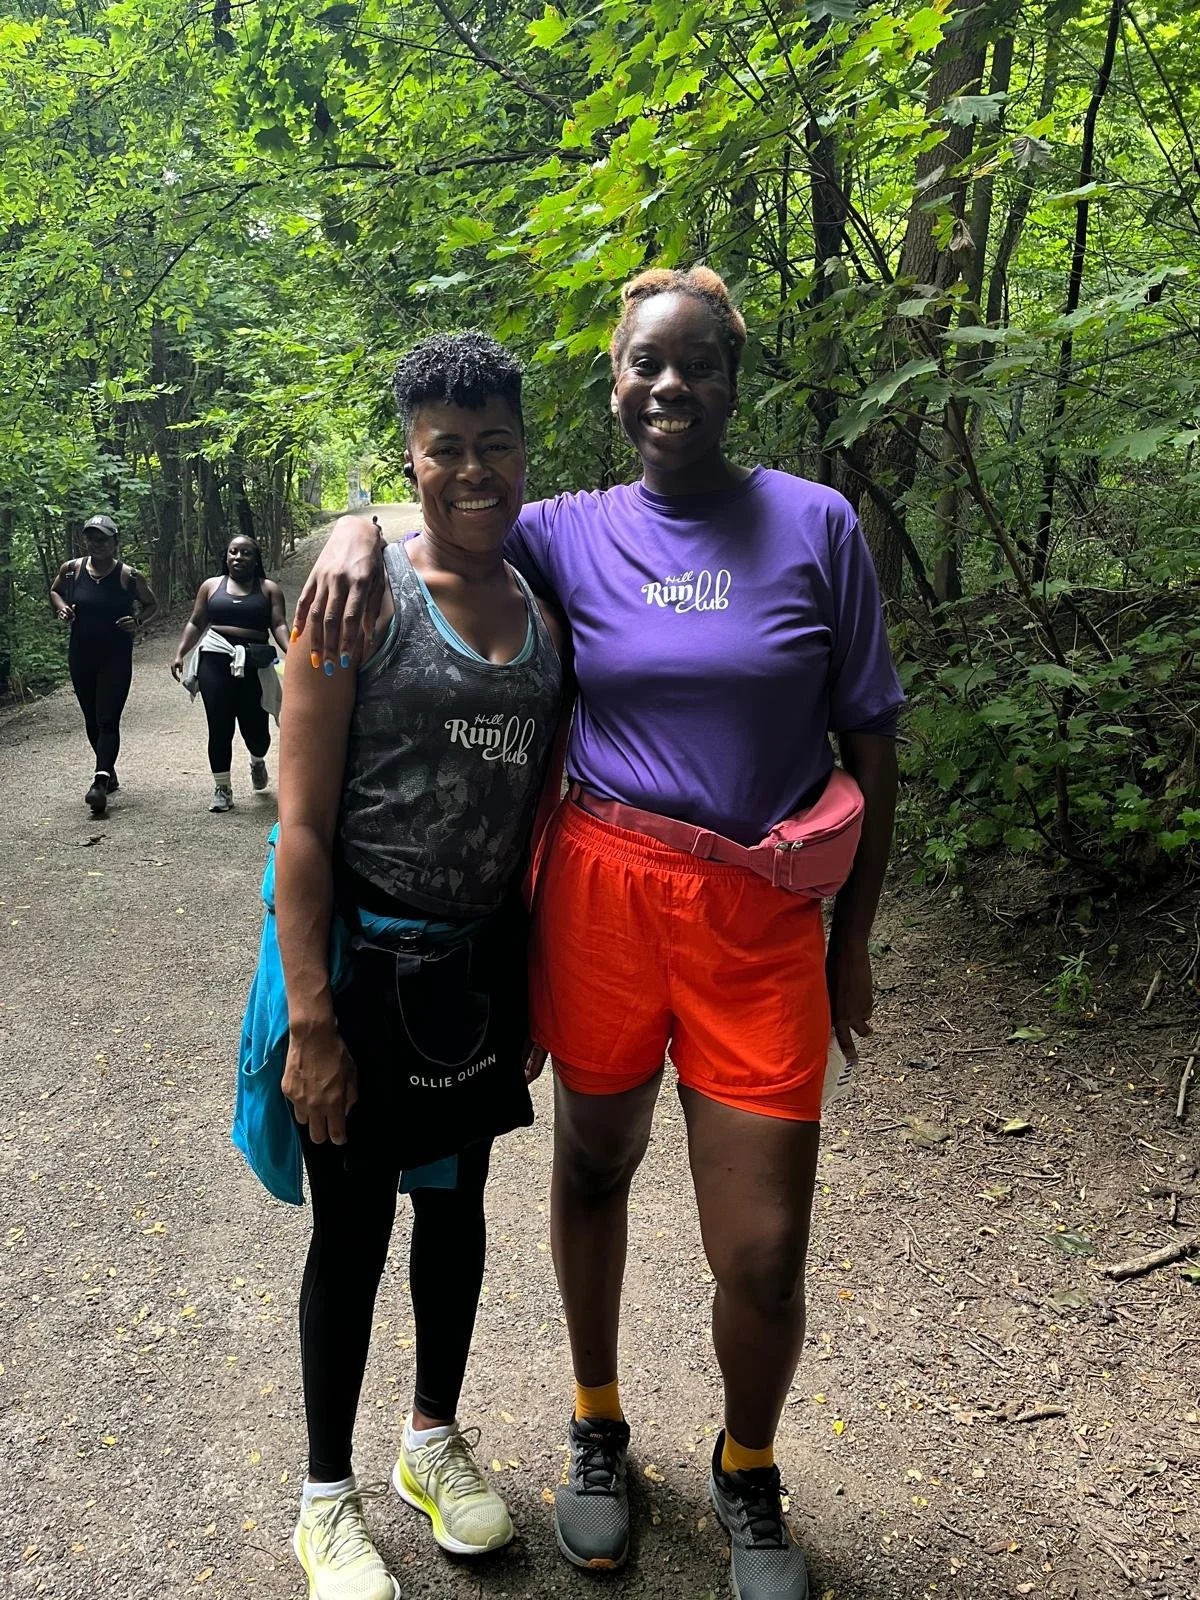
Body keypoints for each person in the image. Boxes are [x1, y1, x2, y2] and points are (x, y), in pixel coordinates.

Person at [295, 269, 902, 1600]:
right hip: (607, 897)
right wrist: (353, 523)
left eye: (696, 366)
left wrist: (853, 936)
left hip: (758, 915)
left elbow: (873, 739)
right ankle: (596, 1426)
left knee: (760, 1243)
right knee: (590, 1166)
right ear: (615, 382)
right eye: (645, 365)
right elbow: (452, 503)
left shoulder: (816, 526)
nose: (670, 387)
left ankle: (748, 1470)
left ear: (735, 378)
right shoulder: (567, 530)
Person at [253, 333, 563, 1600]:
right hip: (358, 965)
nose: (474, 470)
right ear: (411, 458)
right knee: (354, 1226)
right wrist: (313, 1019)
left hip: (476, 972)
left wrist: (531, 978)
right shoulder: (356, 604)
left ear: (525, 450)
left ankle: (431, 1438)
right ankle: (325, 1499)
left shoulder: (545, 600)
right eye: (446, 448)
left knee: (458, 1208)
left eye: (496, 443)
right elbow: (305, 824)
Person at [49, 514, 159, 817]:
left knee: (107, 717)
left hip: (115, 655)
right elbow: (55, 591)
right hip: (81, 653)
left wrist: (136, 621)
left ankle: (99, 783)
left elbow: (152, 605)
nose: (97, 545)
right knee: (91, 718)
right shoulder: (71, 570)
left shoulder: (129, 576)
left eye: (104, 539)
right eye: (92, 539)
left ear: (115, 543)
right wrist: (62, 609)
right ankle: (107, 768)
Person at [171, 535, 290, 812]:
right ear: (226, 557)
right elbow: (196, 622)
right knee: (219, 724)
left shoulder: (269, 589)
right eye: (233, 552)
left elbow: (279, 624)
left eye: (246, 553)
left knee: (256, 729)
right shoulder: (211, 587)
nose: (238, 557)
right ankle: (222, 788)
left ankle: (257, 759)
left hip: (254, 661)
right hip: (214, 658)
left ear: (255, 558)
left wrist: (294, 652)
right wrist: (180, 653)